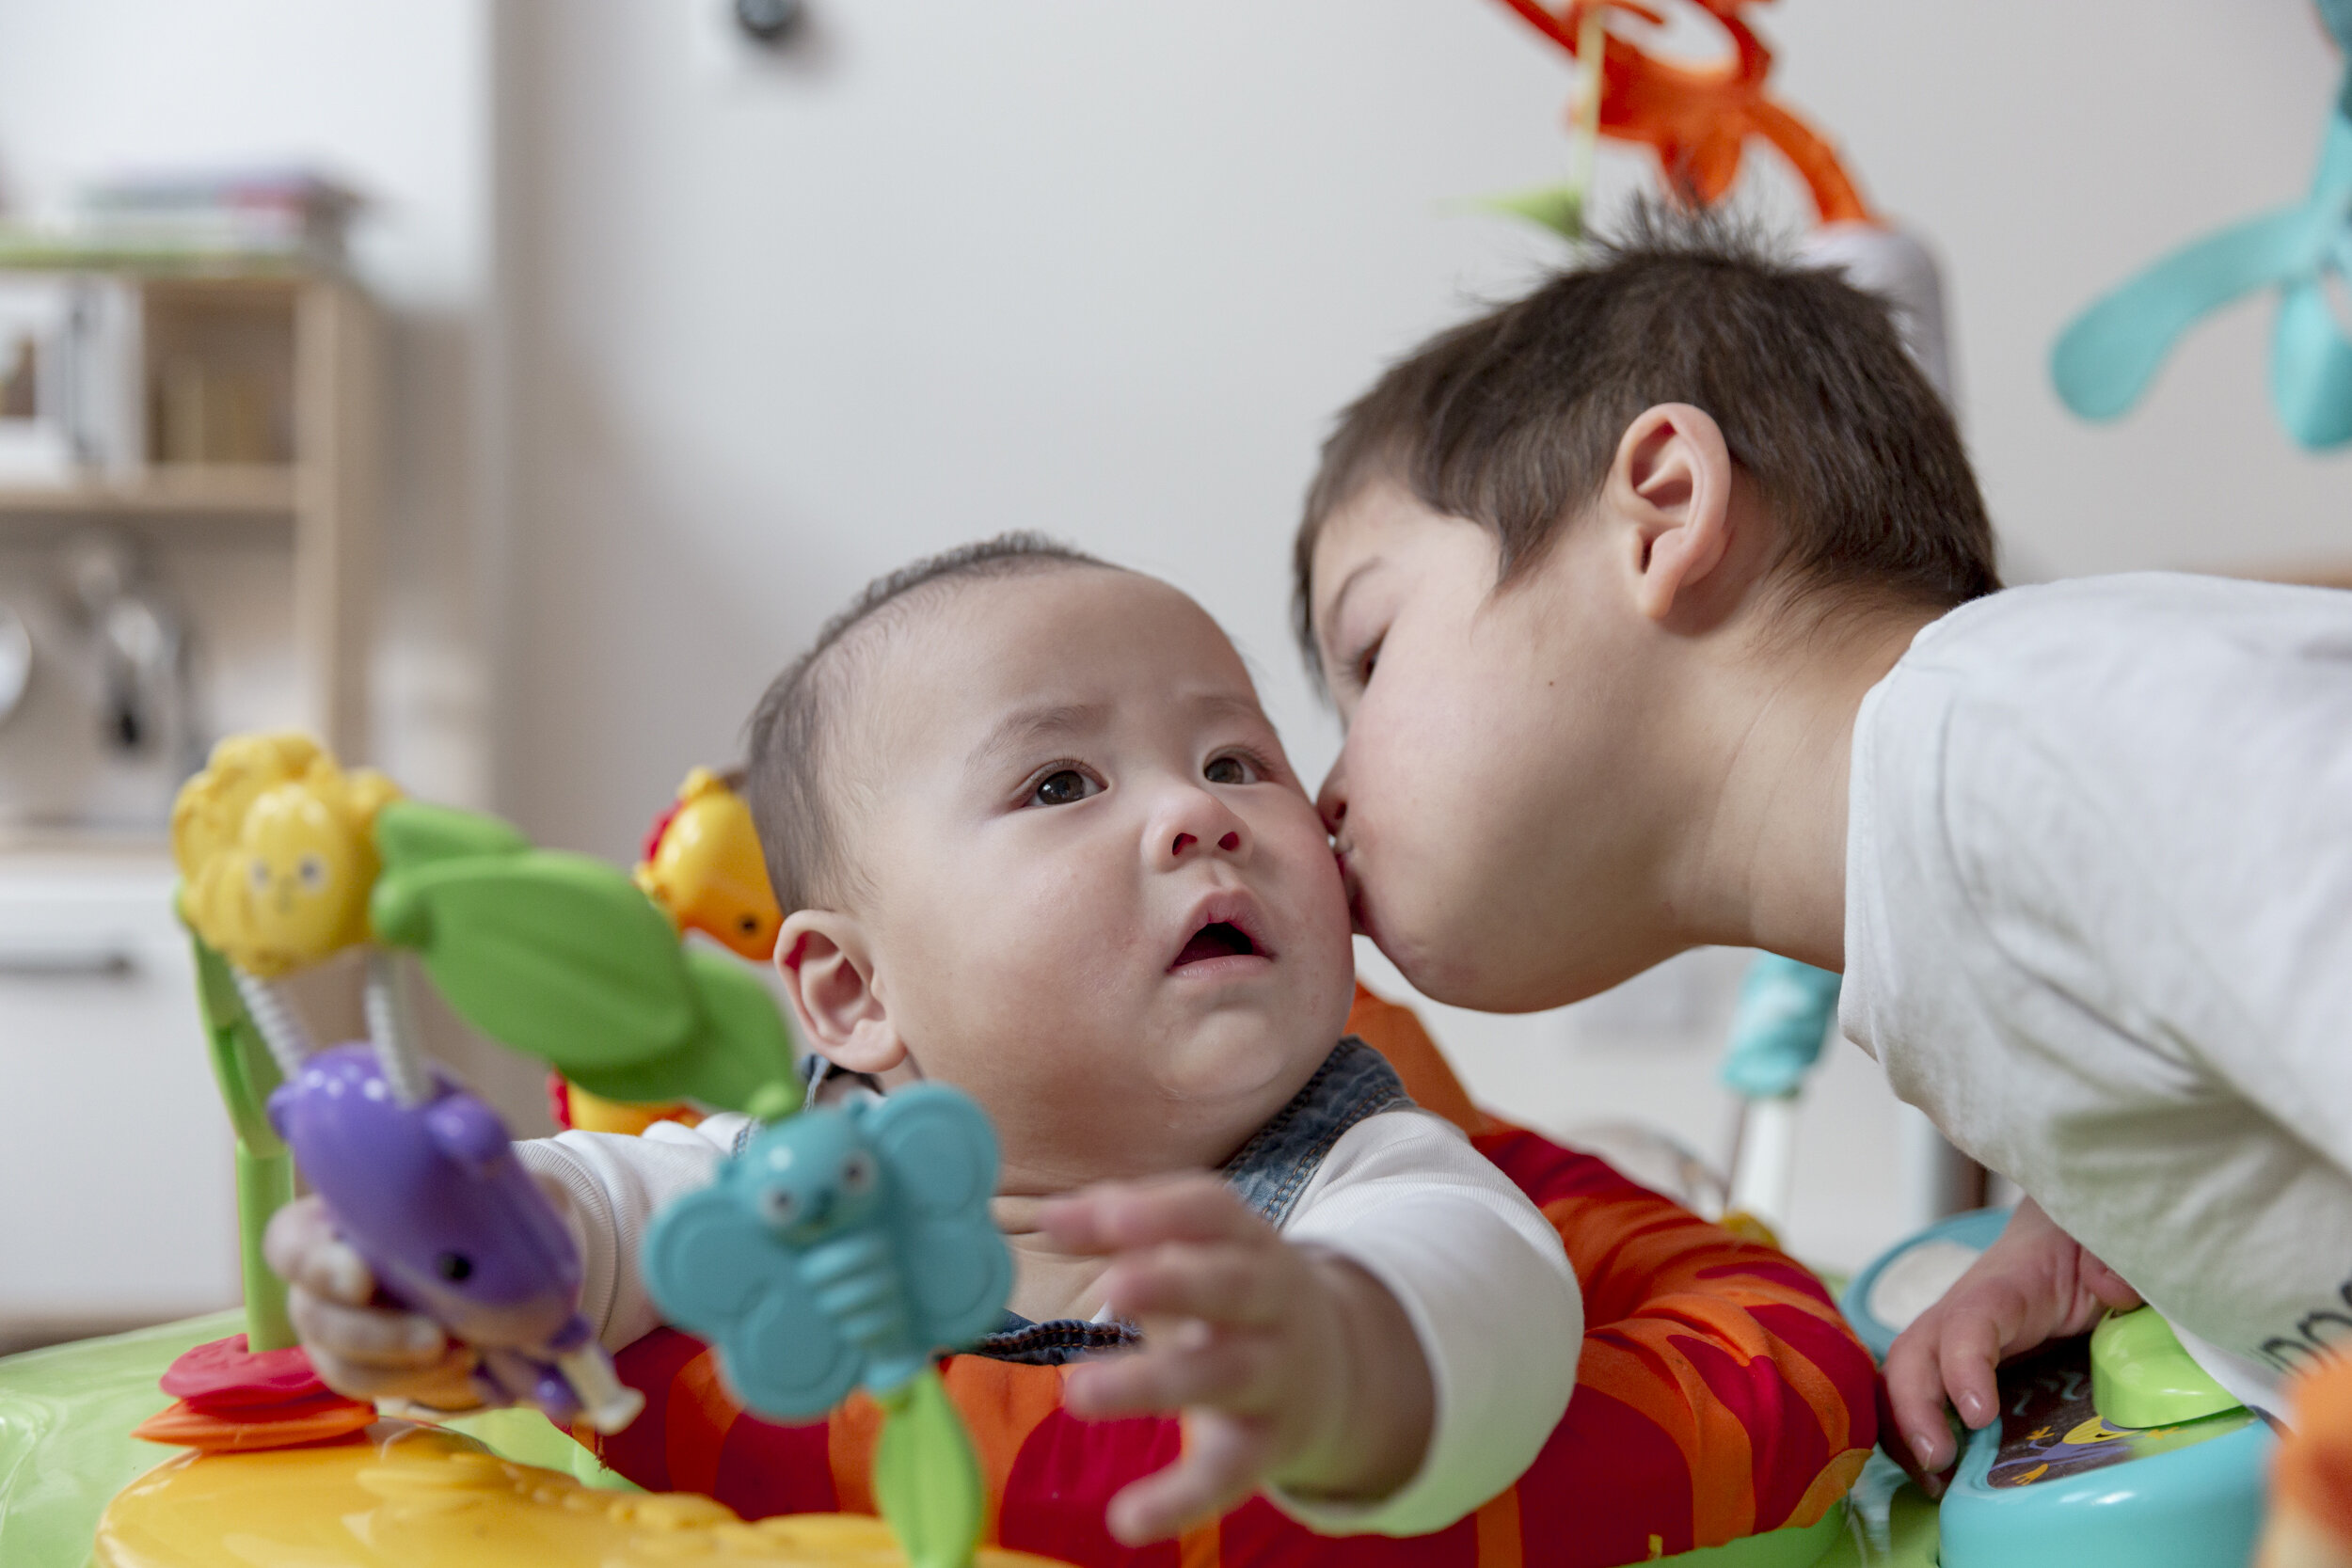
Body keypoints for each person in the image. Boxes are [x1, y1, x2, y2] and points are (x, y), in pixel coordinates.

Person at [1292, 203, 2352, 1487]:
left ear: (1663, 512)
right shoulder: (1948, 902)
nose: (1324, 791)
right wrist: (2099, 1232)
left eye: (1369, 654)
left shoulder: (2019, 734)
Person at [268, 536, 1582, 1545]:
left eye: (1240, 761)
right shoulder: (802, 1175)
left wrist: (1338, 1348)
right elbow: (616, 1210)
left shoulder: (1371, 1169)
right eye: (1061, 783)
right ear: (850, 994)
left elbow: (1491, 1301)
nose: (1198, 812)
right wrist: (448, 1248)